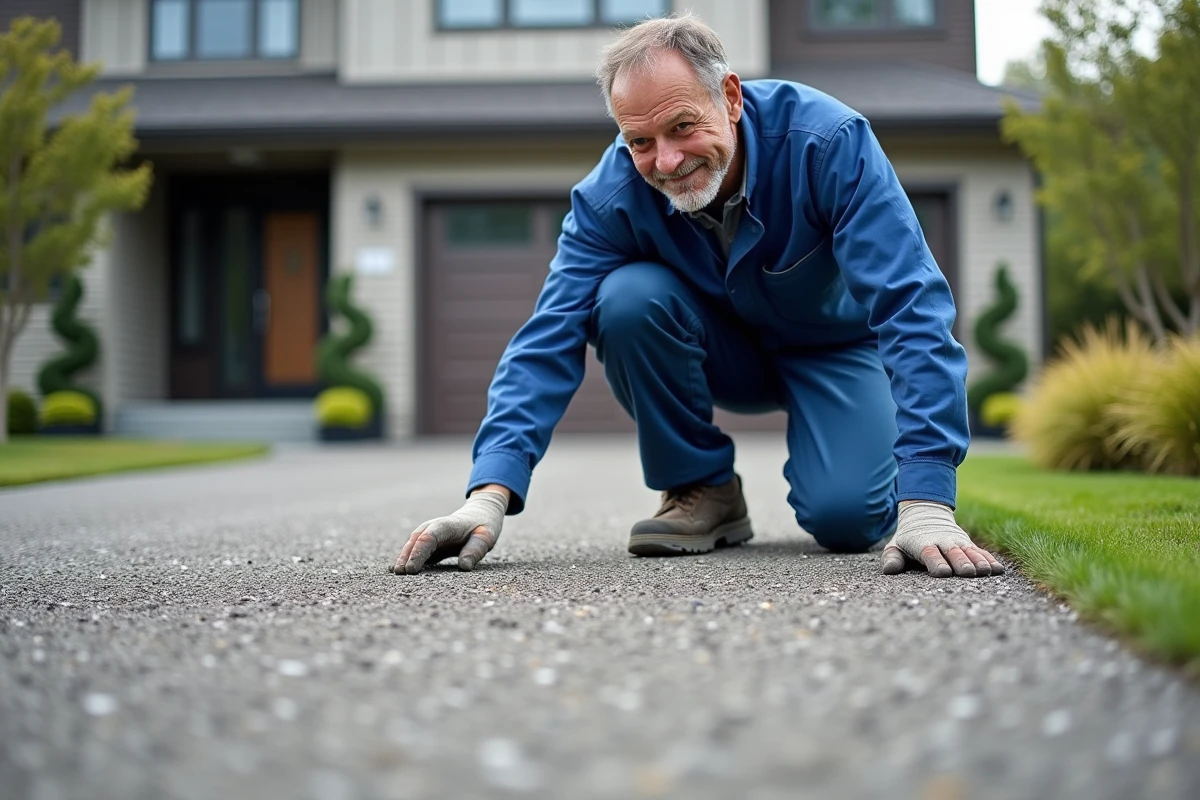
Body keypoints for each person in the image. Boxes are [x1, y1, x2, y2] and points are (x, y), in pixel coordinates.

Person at [392, 13, 1004, 580]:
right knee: (627, 297)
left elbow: (911, 305)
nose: (666, 160)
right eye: (640, 141)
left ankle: (872, 488)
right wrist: (488, 494)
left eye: (683, 126)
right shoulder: (609, 198)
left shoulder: (829, 143)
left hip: (834, 350)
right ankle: (703, 488)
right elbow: (548, 336)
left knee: (849, 521)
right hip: (720, 350)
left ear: (731, 97)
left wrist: (926, 499)